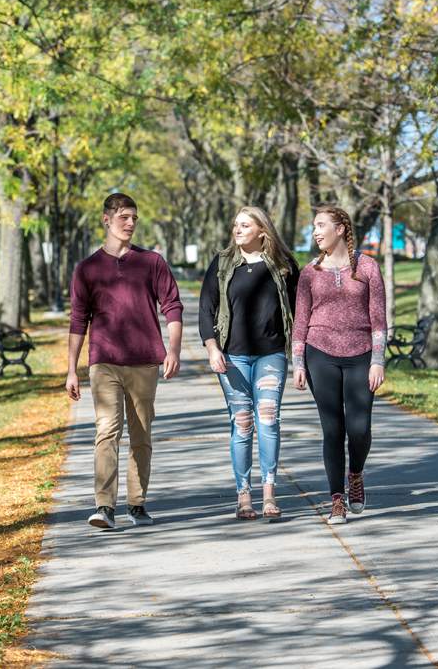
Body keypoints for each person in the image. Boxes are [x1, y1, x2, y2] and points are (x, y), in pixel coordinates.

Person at [66, 193, 183, 529]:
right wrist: (72, 369)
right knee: (107, 431)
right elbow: (78, 319)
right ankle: (104, 506)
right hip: (104, 360)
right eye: (123, 217)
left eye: (134, 218)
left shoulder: (152, 262)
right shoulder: (87, 268)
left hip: (146, 360)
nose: (130, 223)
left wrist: (173, 349)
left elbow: (172, 306)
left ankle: (137, 504)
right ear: (107, 220)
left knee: (141, 434)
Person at [199, 207, 299, 520]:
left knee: (268, 419)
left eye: (245, 225)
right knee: (242, 424)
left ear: (262, 230)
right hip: (232, 356)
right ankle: (244, 495)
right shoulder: (223, 263)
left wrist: (301, 353)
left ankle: (269, 494)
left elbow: (300, 310)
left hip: (271, 354)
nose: (237, 230)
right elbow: (205, 309)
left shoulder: (283, 265)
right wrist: (213, 349)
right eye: (235, 225)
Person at [291, 206, 386, 524]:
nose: (316, 232)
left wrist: (377, 360)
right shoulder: (309, 273)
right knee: (333, 430)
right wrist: (299, 363)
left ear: (341, 228)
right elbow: (300, 321)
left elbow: (379, 320)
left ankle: (355, 475)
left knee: (359, 430)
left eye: (321, 225)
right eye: (313, 226)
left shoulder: (368, 266)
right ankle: (336, 500)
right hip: (321, 355)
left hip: (360, 355)